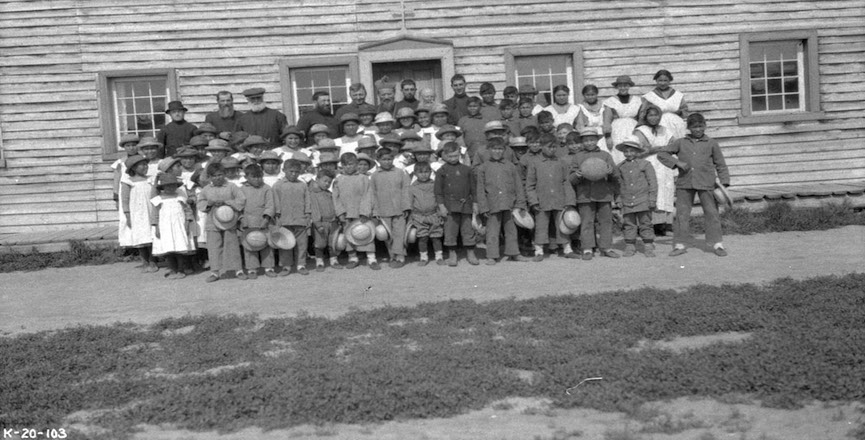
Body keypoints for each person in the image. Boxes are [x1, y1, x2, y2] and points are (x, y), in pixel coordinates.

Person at [657, 113, 730, 257]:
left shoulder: (711, 143)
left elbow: (720, 164)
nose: (697, 129)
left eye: (700, 126)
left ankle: (717, 244)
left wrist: (724, 182)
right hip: (685, 183)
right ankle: (680, 244)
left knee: (712, 213)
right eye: (694, 127)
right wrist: (677, 163)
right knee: (682, 215)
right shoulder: (680, 142)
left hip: (707, 183)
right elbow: (662, 154)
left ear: (705, 126)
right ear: (689, 128)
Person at [475, 137, 530, 264]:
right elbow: (480, 190)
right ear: (489, 150)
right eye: (494, 149)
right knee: (492, 231)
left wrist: (520, 203)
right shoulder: (483, 168)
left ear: (504, 150)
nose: (497, 152)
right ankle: (492, 255)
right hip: (492, 204)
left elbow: (518, 186)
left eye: (500, 149)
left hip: (509, 204)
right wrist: (483, 207)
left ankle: (514, 253)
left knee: (511, 230)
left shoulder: (511, 166)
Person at [569, 128, 619, 260]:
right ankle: (587, 248)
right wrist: (577, 175)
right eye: (586, 140)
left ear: (597, 140)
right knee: (586, 222)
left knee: (606, 222)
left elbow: (616, 175)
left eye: (592, 139)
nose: (589, 142)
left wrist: (611, 171)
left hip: (604, 194)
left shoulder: (605, 155)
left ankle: (606, 248)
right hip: (584, 195)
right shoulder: (577, 157)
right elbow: (571, 179)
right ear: (581, 142)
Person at [526, 134, 578, 260]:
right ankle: (539, 251)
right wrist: (533, 201)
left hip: (559, 200)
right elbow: (530, 185)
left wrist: (569, 200)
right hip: (542, 201)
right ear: (541, 147)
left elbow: (566, 182)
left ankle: (567, 249)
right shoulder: (535, 163)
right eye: (549, 147)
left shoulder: (561, 162)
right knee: (541, 226)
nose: (552, 149)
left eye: (554, 147)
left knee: (562, 224)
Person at [197, 162, 246, 282]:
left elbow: (241, 199)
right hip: (212, 222)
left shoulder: (232, 186)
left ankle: (238, 270)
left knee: (232, 245)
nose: (218, 178)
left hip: (230, 221)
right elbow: (200, 203)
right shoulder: (206, 189)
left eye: (220, 175)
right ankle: (215, 272)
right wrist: (210, 203)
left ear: (224, 174)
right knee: (214, 247)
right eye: (214, 176)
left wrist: (227, 202)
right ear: (209, 177)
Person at [434, 141, 479, 266]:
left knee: (468, 230)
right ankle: (452, 254)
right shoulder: (441, 171)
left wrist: (475, 204)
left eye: (455, 156)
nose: (453, 159)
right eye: (450, 156)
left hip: (466, 205)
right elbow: (438, 192)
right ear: (444, 155)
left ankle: (470, 253)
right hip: (449, 206)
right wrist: (441, 206)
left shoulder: (467, 170)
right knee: (450, 231)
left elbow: (473, 189)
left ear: (460, 154)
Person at [634, 105, 676, 236]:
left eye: (656, 115)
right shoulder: (641, 130)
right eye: (650, 115)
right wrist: (653, 149)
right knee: (651, 191)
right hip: (649, 163)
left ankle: (664, 224)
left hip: (664, 164)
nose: (654, 118)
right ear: (645, 116)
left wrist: (661, 148)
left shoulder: (664, 130)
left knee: (666, 191)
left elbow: (673, 145)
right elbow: (638, 150)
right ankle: (647, 226)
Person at [332, 152, 377, 269]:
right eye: (345, 164)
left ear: (356, 164)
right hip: (346, 213)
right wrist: (340, 213)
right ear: (342, 165)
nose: (348, 167)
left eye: (351, 164)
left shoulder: (364, 178)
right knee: (349, 235)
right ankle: (353, 258)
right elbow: (335, 198)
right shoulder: (338, 180)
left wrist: (365, 212)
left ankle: (371, 258)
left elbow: (368, 195)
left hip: (360, 212)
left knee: (366, 233)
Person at [615, 139, 658, 257]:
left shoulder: (645, 164)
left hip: (643, 199)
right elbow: (617, 185)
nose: (629, 154)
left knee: (645, 222)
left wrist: (652, 199)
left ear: (637, 152)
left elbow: (652, 182)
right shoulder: (620, 167)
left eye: (632, 151)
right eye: (626, 151)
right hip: (627, 200)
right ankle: (630, 245)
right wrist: (618, 199)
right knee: (629, 223)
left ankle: (648, 245)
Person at [370, 147, 411, 268]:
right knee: (387, 234)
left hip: (399, 209)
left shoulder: (400, 172)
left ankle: (400, 256)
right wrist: (375, 210)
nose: (387, 162)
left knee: (400, 233)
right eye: (384, 159)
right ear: (378, 160)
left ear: (393, 159)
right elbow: (373, 194)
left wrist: (405, 207)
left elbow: (405, 190)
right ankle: (392, 255)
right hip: (383, 210)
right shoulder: (375, 175)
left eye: (389, 159)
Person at [149, 173, 195, 279]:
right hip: (165, 227)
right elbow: (155, 214)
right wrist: (156, 228)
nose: (170, 188)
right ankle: (173, 269)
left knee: (179, 248)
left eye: (173, 185)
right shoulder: (158, 200)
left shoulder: (181, 198)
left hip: (179, 226)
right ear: (162, 187)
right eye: (167, 186)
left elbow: (188, 211)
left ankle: (180, 269)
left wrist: (187, 224)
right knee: (168, 249)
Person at [272, 158, 312, 275]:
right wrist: (277, 216)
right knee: (285, 244)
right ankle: (286, 266)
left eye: (296, 172)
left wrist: (308, 214)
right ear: (284, 170)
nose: (294, 174)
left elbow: (307, 200)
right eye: (291, 171)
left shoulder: (302, 185)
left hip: (300, 220)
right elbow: (276, 202)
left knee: (302, 244)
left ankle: (301, 265)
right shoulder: (278, 185)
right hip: (284, 220)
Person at [238, 164, 276, 279]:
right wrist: (241, 219)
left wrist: (267, 218)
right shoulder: (241, 190)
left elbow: (270, 205)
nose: (257, 179)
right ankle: (252, 268)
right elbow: (239, 206)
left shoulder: (267, 188)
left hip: (263, 221)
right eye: (253, 177)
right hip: (248, 221)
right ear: (246, 177)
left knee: (266, 244)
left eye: (259, 176)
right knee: (249, 245)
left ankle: (269, 267)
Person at [121, 155, 157, 272]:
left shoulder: (150, 180)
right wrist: (127, 215)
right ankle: (144, 261)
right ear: (134, 168)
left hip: (150, 210)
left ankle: (152, 261)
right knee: (140, 237)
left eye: (146, 164)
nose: (145, 167)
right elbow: (125, 200)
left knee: (151, 236)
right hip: (137, 213)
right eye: (142, 165)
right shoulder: (127, 182)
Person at [408, 161, 444, 265]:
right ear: (415, 174)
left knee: (436, 237)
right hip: (419, 216)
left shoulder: (435, 185)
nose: (424, 174)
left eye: (426, 171)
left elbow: (438, 199)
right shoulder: (412, 187)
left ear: (431, 172)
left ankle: (439, 256)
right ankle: (423, 257)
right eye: (420, 172)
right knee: (422, 237)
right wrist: (411, 216)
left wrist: (440, 212)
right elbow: (410, 202)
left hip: (433, 214)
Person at [603, 75, 642, 164]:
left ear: (629, 86)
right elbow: (607, 120)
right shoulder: (611, 101)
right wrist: (608, 137)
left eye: (625, 85)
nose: (623, 88)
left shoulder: (637, 100)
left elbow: (641, 118)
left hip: (633, 128)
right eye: (620, 86)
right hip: (617, 130)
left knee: (633, 149)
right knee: (618, 153)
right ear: (617, 87)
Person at [640, 69, 688, 140]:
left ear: (669, 81)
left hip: (676, 124)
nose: (662, 83)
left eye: (665, 80)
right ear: (656, 81)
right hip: (658, 124)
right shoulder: (650, 96)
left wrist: (679, 112)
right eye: (660, 80)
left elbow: (685, 111)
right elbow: (643, 113)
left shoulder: (677, 95)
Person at [309, 168, 341, 271]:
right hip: (321, 222)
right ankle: (319, 261)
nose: (327, 184)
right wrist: (318, 224)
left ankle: (334, 260)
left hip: (333, 221)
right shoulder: (314, 194)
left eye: (329, 182)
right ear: (317, 179)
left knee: (333, 242)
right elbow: (315, 210)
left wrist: (337, 218)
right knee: (320, 243)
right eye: (325, 181)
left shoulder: (329, 194)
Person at [574, 85, 609, 155]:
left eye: (592, 95)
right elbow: (580, 125)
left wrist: (608, 136)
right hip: (588, 135)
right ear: (583, 95)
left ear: (596, 94)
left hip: (602, 135)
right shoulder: (580, 107)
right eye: (587, 95)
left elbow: (607, 122)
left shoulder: (603, 106)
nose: (590, 97)